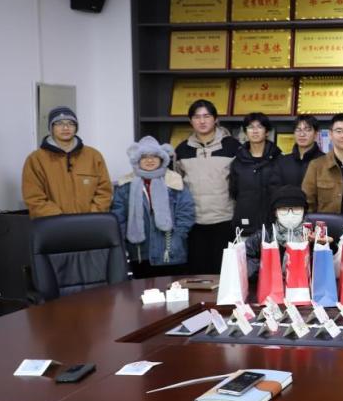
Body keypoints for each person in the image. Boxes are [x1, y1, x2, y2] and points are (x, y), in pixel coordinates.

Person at [110, 136, 196, 278]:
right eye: (144, 157)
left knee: (172, 289)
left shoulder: (174, 181)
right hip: (139, 252)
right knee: (142, 290)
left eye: (154, 156)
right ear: (137, 160)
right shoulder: (125, 185)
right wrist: (123, 244)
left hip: (170, 250)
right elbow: (119, 218)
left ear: (162, 159)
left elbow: (186, 211)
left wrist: (179, 236)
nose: (149, 160)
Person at [175, 99, 241, 274]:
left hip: (225, 220)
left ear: (216, 119)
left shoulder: (233, 147)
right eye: (197, 117)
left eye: (207, 116)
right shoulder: (182, 150)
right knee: (197, 274)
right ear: (191, 121)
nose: (202, 121)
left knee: (224, 273)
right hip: (194, 222)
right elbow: (177, 186)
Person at [22, 106, 112, 218]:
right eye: (59, 123)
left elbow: (104, 192)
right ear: (51, 128)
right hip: (52, 224)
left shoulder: (93, 156)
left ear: (76, 128)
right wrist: (61, 220)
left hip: (89, 223)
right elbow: (34, 197)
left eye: (71, 123)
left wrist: (91, 217)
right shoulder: (36, 159)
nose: (66, 127)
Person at [243, 186, 331, 295]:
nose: (290, 214)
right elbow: (243, 259)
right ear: (275, 212)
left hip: (306, 293)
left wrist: (323, 245)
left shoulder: (315, 235)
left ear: (304, 211)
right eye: (284, 209)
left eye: (296, 209)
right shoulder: (264, 236)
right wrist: (267, 269)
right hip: (271, 293)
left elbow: (330, 269)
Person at [229, 112, 282, 236]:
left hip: (273, 225)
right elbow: (234, 192)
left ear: (267, 132)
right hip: (245, 223)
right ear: (245, 132)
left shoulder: (279, 159)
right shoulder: (237, 161)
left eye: (260, 127)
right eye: (250, 127)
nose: (255, 131)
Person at [273, 114, 324, 187]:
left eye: (307, 130)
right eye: (298, 130)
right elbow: (274, 188)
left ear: (316, 134)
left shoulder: (326, 161)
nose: (302, 134)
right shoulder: (282, 162)